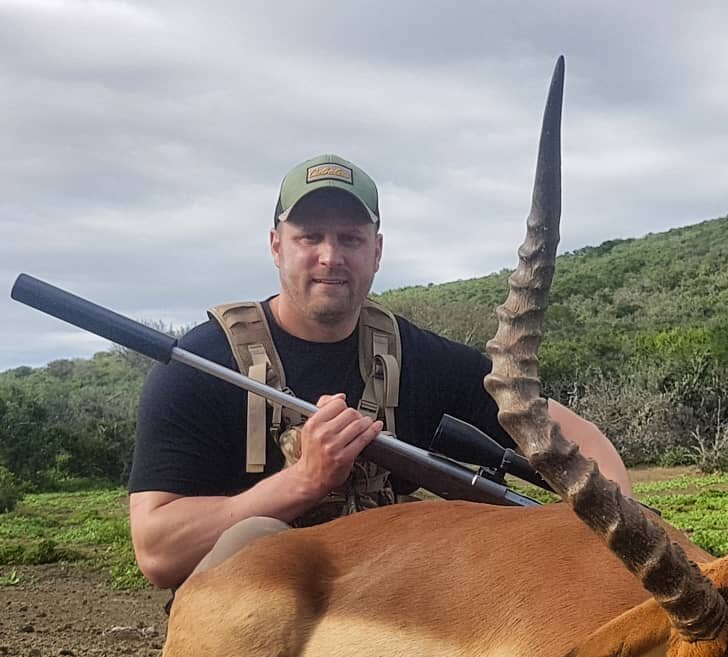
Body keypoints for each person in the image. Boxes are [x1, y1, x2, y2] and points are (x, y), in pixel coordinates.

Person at [128, 154, 631, 590]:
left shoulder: (413, 353)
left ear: (377, 251)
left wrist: (615, 528)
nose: (331, 256)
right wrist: (304, 480)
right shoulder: (200, 364)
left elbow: (574, 435)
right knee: (255, 541)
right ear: (277, 246)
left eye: (350, 238)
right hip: (250, 620)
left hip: (378, 616)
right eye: (310, 237)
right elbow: (157, 553)